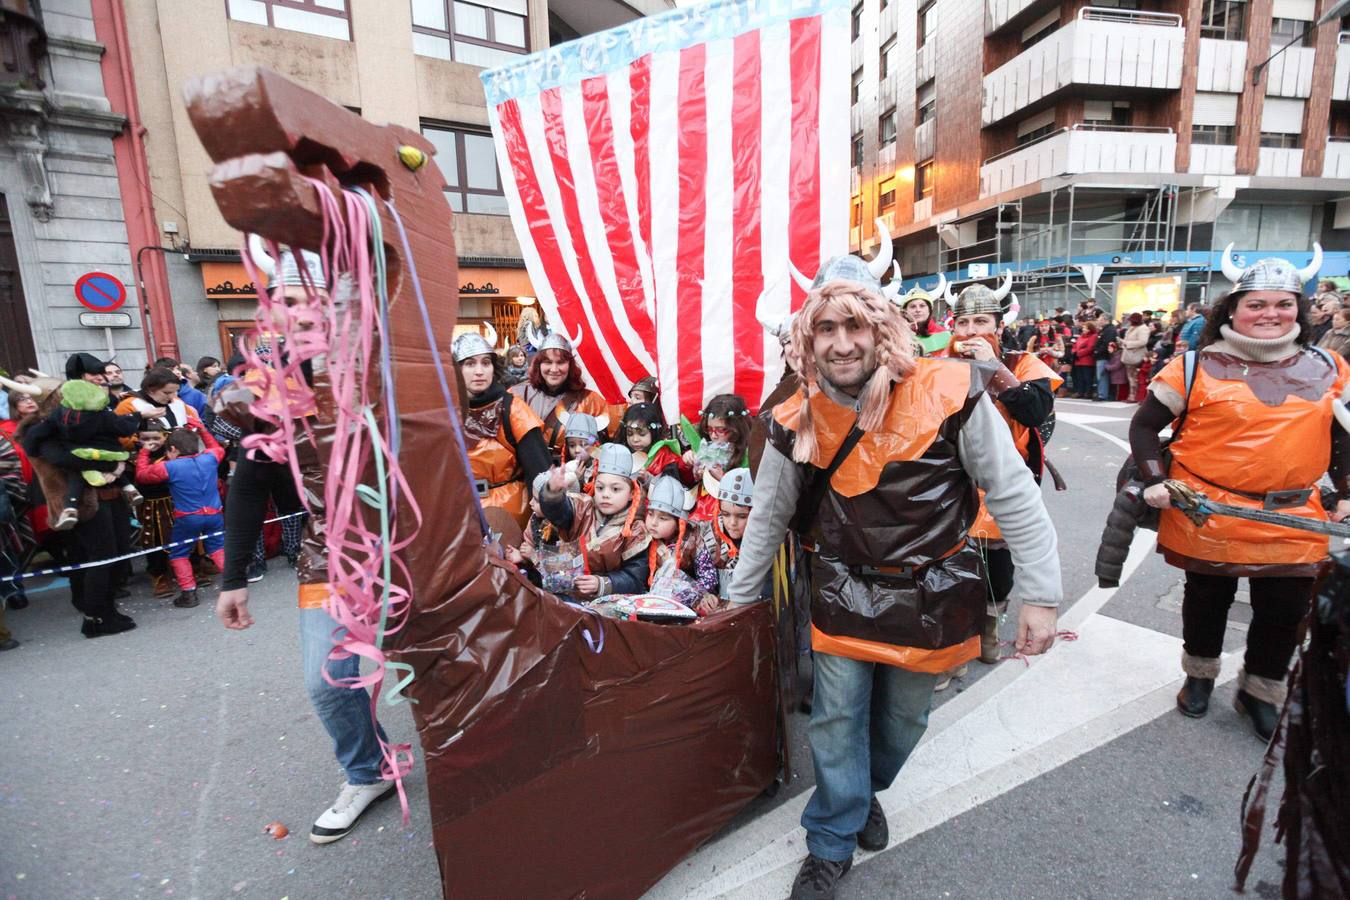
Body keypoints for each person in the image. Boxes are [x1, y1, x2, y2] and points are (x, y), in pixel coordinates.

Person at [727, 246, 1061, 898]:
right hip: (842, 589)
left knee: (903, 724)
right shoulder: (795, 417)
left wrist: (1042, 595)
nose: (843, 343)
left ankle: (861, 792)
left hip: (935, 593)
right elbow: (766, 519)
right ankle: (831, 838)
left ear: (882, 326)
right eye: (828, 327)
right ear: (808, 336)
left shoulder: (948, 389)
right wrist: (739, 605)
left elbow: (1013, 491)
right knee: (834, 719)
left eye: (857, 325)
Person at [214, 246, 399, 844]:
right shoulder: (268, 389)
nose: (290, 312)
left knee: (453, 663)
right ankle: (367, 771)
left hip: (417, 544)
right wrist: (233, 577)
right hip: (331, 556)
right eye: (282, 301)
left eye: (303, 300)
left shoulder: (387, 367)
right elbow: (248, 487)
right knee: (327, 681)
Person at [1129, 246, 1349, 741]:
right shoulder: (1192, 367)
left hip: (1295, 517)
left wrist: (1348, 492)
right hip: (1207, 512)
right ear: (1233, 309)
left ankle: (1260, 691)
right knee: (1206, 600)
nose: (1271, 314)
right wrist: (1154, 480)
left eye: (1283, 303)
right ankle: (1199, 679)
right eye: (1257, 304)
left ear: (1300, 308)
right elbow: (1144, 428)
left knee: (1285, 611)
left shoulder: (1332, 367)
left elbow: (1343, 439)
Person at [940, 280, 1061, 683]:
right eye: (965, 322)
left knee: (998, 569)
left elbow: (1035, 410)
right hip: (953, 484)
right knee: (951, 570)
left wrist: (995, 367)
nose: (972, 330)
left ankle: (990, 627)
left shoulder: (1024, 363)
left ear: (998, 324)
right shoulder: (941, 360)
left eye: (981, 320)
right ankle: (955, 647)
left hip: (1004, 484)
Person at [454, 327, 552, 527]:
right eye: (470, 364)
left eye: (486, 363)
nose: (479, 371)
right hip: (461, 514)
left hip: (510, 515)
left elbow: (539, 470)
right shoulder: (444, 410)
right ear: (456, 369)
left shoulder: (513, 408)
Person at [528, 444, 650, 598]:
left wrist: (602, 583)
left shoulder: (636, 530)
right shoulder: (582, 507)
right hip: (566, 590)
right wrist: (553, 492)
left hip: (607, 600)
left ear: (632, 493)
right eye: (600, 488)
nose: (606, 494)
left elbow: (635, 578)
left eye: (615, 489)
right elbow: (557, 512)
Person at [24, 379, 145, 531]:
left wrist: (117, 461)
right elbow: (65, 459)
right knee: (102, 551)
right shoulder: (44, 428)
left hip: (112, 492)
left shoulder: (86, 416)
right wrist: (113, 464)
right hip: (82, 502)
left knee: (123, 546)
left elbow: (110, 439)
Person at [135, 419, 226, 609]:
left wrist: (144, 451)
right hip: (215, 514)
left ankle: (189, 592)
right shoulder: (209, 458)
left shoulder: (168, 467)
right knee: (217, 549)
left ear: (173, 449)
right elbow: (217, 448)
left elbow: (142, 475)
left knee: (179, 553)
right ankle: (235, 581)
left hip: (188, 518)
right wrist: (202, 430)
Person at [509, 332, 609, 457]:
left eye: (560, 362)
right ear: (538, 364)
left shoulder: (591, 401)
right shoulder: (517, 395)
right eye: (548, 362)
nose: (554, 369)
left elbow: (600, 444)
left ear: (570, 365)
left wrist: (583, 450)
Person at [643, 474, 718, 607]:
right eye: (650, 514)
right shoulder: (643, 537)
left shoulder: (693, 540)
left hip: (684, 602)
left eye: (663, 518)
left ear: (679, 523)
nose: (653, 523)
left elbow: (707, 574)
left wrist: (699, 596)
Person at [679, 393, 753, 521]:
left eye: (720, 429)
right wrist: (687, 464)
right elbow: (686, 482)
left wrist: (721, 478)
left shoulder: (749, 456)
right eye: (709, 429)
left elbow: (750, 496)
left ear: (736, 428)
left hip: (730, 520)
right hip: (700, 512)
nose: (713, 435)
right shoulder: (704, 446)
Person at [696, 466, 758, 610]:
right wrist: (704, 595)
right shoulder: (708, 533)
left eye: (742, 516)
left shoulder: (769, 540)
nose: (732, 523)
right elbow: (700, 574)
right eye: (725, 514)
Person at [132, 421, 177, 598]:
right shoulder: (133, 458)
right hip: (149, 505)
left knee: (182, 536)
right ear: (138, 439)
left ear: (165, 436)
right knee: (155, 541)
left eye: (156, 438)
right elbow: (139, 479)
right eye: (146, 439)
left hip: (174, 501)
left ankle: (193, 567)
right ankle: (159, 575)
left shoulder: (172, 453)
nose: (151, 442)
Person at [619, 402, 665, 470]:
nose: (635, 439)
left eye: (642, 434)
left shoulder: (664, 457)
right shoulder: (619, 455)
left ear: (655, 432)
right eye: (630, 433)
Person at [562, 411, 600, 492]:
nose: (577, 450)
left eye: (583, 445)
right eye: (572, 445)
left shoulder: (601, 471)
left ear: (594, 446)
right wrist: (574, 480)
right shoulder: (564, 469)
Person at [1121, 312, 1150, 402]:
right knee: (1130, 377)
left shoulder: (1143, 329)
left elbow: (1143, 341)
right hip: (1129, 354)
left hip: (1137, 355)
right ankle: (1131, 395)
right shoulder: (1132, 327)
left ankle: (1136, 396)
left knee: (1136, 377)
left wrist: (1128, 343)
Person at [1093, 311, 1118, 401]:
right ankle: (1101, 393)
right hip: (1101, 355)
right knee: (1101, 375)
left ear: (1105, 320)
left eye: (1099, 318)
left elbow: (1106, 343)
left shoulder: (1110, 330)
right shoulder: (1105, 329)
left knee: (1102, 375)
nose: (1098, 320)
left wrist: (1097, 352)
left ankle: (1102, 395)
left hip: (1104, 356)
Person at [1070, 321, 1098, 399]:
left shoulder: (1093, 336)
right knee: (1079, 378)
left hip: (1087, 360)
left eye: (1085, 328)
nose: (1083, 329)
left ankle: (1088, 392)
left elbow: (1090, 348)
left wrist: (1078, 353)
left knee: (1088, 378)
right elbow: (1075, 345)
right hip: (1078, 360)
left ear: (1089, 329)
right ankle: (1080, 392)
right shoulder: (1081, 336)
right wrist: (1074, 351)